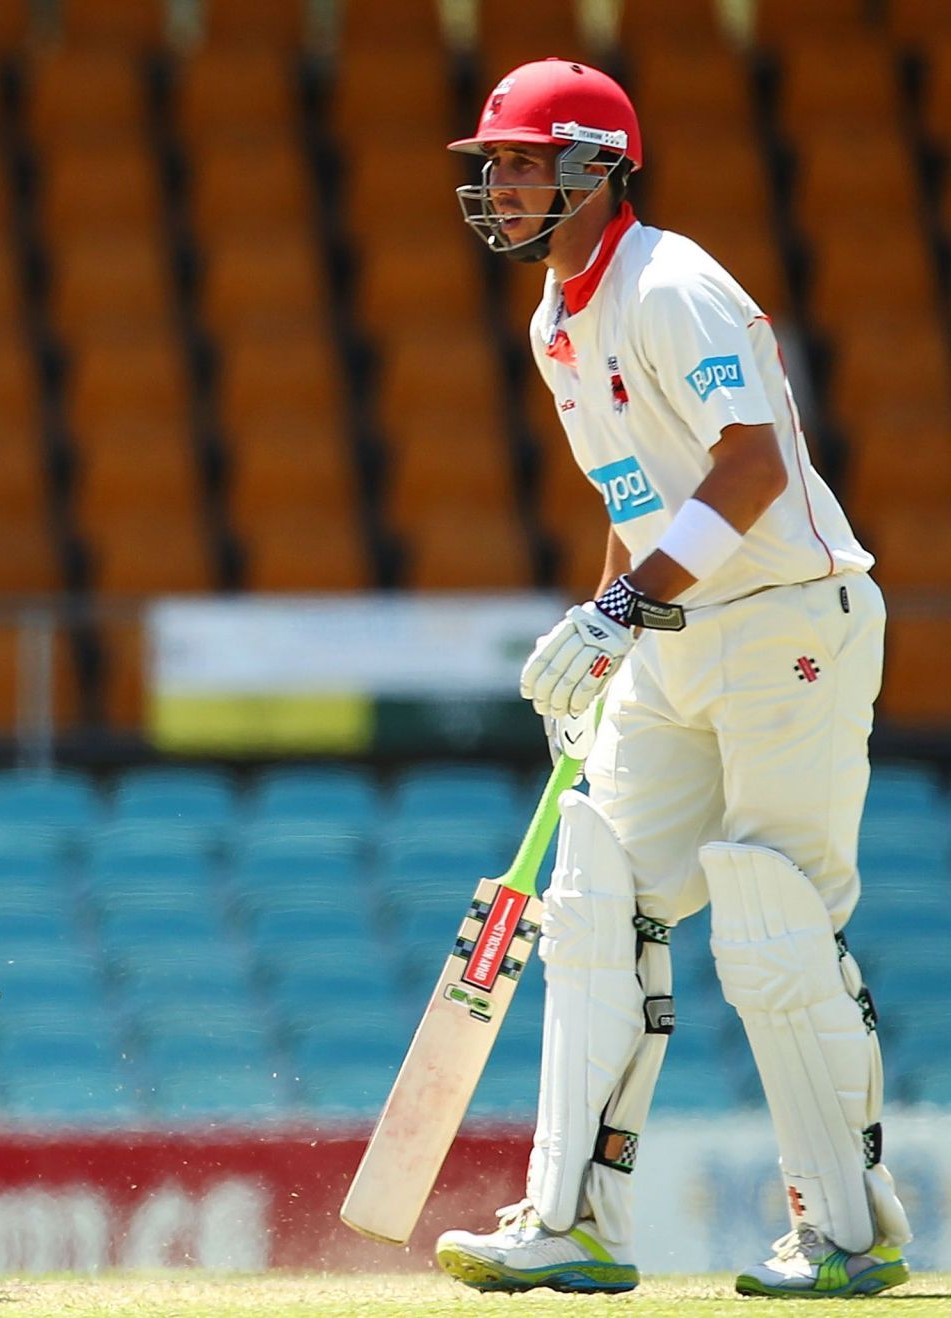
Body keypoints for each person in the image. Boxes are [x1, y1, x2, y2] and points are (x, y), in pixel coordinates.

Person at [430, 60, 908, 1298]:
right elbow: (633, 498)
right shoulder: (554, 321)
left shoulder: (674, 285)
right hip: (681, 636)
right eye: (494, 164)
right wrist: (607, 629)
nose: (501, 184)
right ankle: (575, 1221)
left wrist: (632, 605)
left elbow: (748, 469)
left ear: (599, 165)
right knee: (596, 892)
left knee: (771, 915)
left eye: (526, 161)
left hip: (792, 624)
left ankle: (851, 1233)